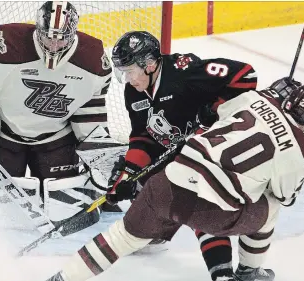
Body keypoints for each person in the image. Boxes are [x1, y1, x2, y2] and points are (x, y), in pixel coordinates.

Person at [43, 75, 304, 281]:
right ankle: (249, 272)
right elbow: (284, 195)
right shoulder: (302, 151)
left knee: (121, 238)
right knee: (270, 206)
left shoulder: (252, 99)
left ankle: (62, 277)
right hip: (213, 214)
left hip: (167, 184)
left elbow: (217, 118)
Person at [107, 31, 258, 279]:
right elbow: (143, 138)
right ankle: (157, 229)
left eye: (131, 70)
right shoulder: (133, 92)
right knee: (146, 188)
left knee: (196, 200)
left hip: (213, 149)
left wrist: (215, 111)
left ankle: (223, 273)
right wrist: (128, 175)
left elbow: (246, 75)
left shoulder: (183, 71)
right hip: (180, 150)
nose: (128, 78)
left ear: (150, 64)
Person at [0, 1, 112, 227]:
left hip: (56, 139)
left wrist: (99, 160)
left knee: (63, 205)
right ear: (37, 29)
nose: (54, 45)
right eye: (48, 37)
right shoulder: (5, 45)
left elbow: (88, 112)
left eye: (62, 38)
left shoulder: (93, 61)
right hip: (4, 137)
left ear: (73, 34)